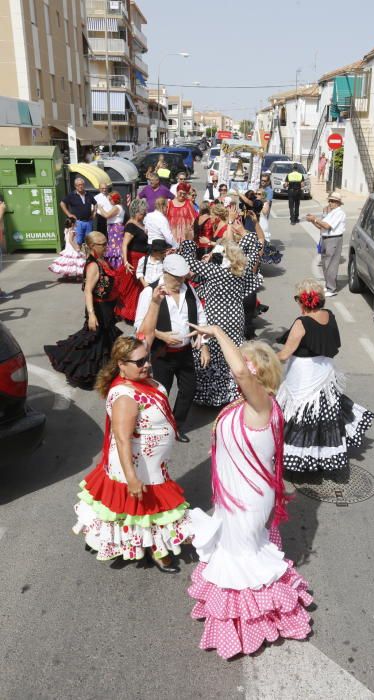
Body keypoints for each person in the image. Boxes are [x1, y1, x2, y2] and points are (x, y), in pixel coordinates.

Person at [187, 325, 313, 659]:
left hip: (248, 498)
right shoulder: (246, 403)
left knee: (242, 559)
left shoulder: (263, 405)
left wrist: (216, 331)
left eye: (240, 365)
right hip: (233, 494)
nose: (234, 370)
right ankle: (245, 621)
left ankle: (255, 625)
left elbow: (240, 372)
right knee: (236, 553)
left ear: (254, 372)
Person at [72, 334, 191, 570]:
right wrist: (132, 478)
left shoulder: (139, 375)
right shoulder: (125, 397)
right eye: (139, 362)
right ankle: (156, 549)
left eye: (146, 358)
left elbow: (145, 330)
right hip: (136, 465)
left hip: (152, 463)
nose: (146, 364)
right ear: (121, 365)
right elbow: (123, 440)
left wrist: (155, 301)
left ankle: (148, 545)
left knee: (140, 510)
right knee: (145, 509)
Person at [276, 279, 374, 473]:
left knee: (300, 414)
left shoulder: (301, 323)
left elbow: (285, 354)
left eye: (297, 299)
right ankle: (321, 456)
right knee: (322, 413)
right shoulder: (329, 316)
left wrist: (261, 359)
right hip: (324, 372)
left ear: (303, 301)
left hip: (303, 374)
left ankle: (300, 458)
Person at [136, 254, 210, 443]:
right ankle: (154, 427)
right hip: (161, 354)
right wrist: (162, 335)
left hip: (185, 353)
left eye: (183, 277)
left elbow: (201, 319)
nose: (180, 281)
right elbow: (139, 327)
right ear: (166, 273)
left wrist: (204, 346)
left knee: (189, 388)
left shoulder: (189, 290)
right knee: (161, 393)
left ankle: (176, 426)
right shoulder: (149, 292)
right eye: (177, 278)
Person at [44, 232, 121, 389]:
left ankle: (104, 372)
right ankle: (78, 369)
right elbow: (87, 291)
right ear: (92, 246)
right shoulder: (93, 265)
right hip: (98, 309)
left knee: (103, 340)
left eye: (106, 242)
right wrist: (92, 315)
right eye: (102, 244)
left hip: (107, 308)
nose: (106, 246)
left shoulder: (102, 260)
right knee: (94, 341)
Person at [179, 239, 249, 407]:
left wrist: (189, 242)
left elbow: (188, 262)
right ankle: (232, 392)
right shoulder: (239, 272)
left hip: (218, 320)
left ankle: (213, 395)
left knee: (215, 351)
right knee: (231, 351)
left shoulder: (217, 272)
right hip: (235, 319)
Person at [307, 191, 345, 297]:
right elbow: (321, 226)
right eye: (330, 201)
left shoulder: (339, 213)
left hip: (333, 239)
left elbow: (327, 226)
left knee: (331, 264)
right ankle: (329, 285)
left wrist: (315, 219)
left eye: (333, 201)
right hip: (325, 238)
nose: (330, 203)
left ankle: (332, 288)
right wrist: (313, 221)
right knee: (325, 263)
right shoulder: (331, 212)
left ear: (338, 203)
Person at [116, 198, 148, 324]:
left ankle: (135, 313)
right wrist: (125, 261)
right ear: (136, 212)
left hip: (141, 258)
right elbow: (124, 245)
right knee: (132, 288)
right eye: (142, 213)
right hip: (133, 259)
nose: (144, 215)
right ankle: (130, 314)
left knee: (138, 288)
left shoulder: (139, 223)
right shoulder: (130, 225)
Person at [60, 178, 96, 246]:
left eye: (82, 184)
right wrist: (69, 214)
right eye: (78, 185)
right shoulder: (71, 195)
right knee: (78, 241)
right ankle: (79, 255)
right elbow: (62, 203)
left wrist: (94, 213)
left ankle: (87, 256)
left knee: (89, 241)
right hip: (78, 222)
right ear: (75, 186)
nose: (80, 186)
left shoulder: (88, 194)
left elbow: (95, 204)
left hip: (88, 222)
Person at [99, 192, 126, 270]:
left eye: (110, 199)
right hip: (113, 228)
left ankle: (117, 266)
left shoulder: (116, 207)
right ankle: (115, 265)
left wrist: (100, 208)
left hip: (115, 229)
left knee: (116, 247)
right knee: (114, 246)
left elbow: (107, 215)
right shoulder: (117, 207)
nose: (109, 201)